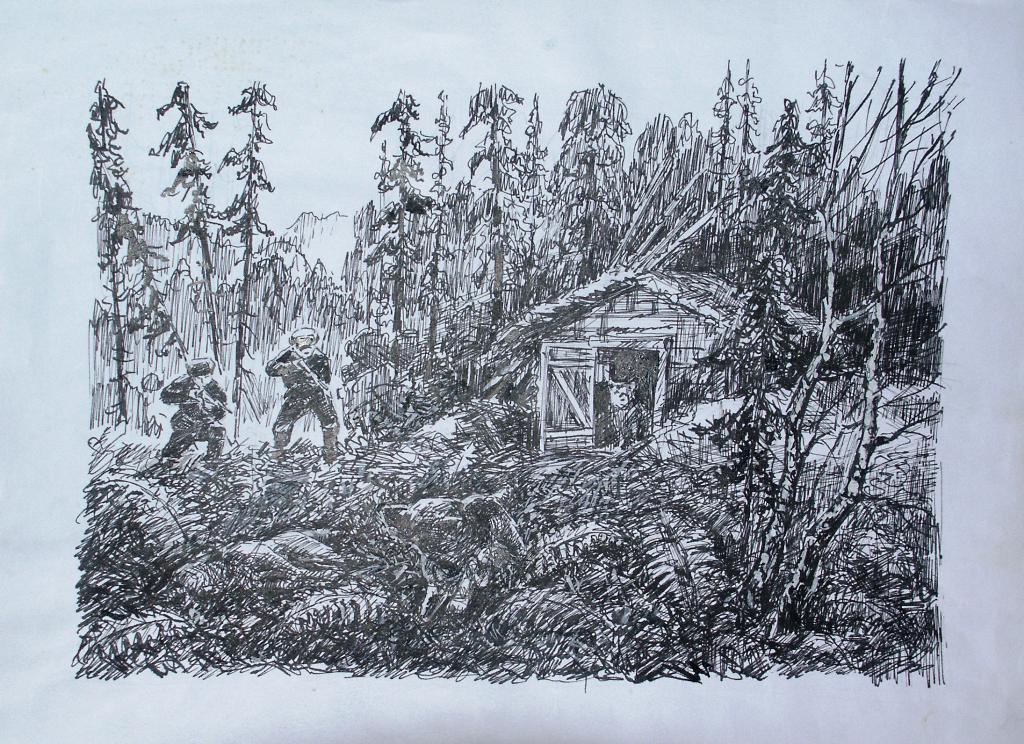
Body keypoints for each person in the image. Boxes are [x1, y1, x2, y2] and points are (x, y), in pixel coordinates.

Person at [266, 328, 339, 462]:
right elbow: (270, 369)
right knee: (282, 425)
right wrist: (290, 368)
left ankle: (331, 455)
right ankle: (277, 455)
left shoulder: (319, 356)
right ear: (294, 342)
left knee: (330, 422)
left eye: (309, 339)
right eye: (301, 339)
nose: (305, 343)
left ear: (313, 341)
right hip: (296, 395)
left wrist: (316, 379)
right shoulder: (288, 354)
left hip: (317, 394)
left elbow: (326, 378)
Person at [160, 358, 227, 461]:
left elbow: (222, 406)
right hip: (185, 420)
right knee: (184, 436)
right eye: (199, 378)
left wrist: (214, 415)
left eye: (206, 377)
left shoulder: (214, 387)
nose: (203, 381)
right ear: (192, 377)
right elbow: (165, 396)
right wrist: (186, 397)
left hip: (205, 421)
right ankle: (169, 456)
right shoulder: (183, 382)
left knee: (218, 432)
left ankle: (212, 460)